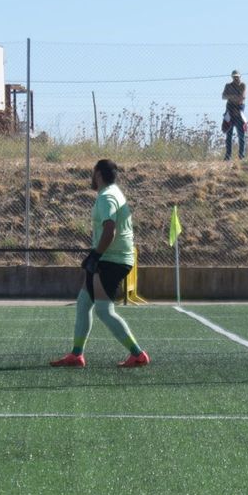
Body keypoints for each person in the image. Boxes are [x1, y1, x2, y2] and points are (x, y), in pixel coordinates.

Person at [50, 158, 149, 369]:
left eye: (93, 173)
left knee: (104, 311)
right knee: (83, 303)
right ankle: (76, 354)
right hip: (110, 257)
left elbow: (110, 230)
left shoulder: (106, 197)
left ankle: (138, 354)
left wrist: (95, 255)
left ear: (98, 174)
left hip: (110, 260)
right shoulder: (114, 192)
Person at [221, 70, 247, 160]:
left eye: (237, 77)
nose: (236, 78)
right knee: (228, 135)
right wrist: (235, 96)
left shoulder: (242, 85)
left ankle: (241, 156)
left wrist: (231, 97)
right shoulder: (228, 85)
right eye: (234, 77)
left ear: (240, 77)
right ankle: (228, 156)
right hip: (230, 112)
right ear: (232, 77)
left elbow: (242, 97)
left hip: (239, 113)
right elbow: (223, 96)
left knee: (241, 135)